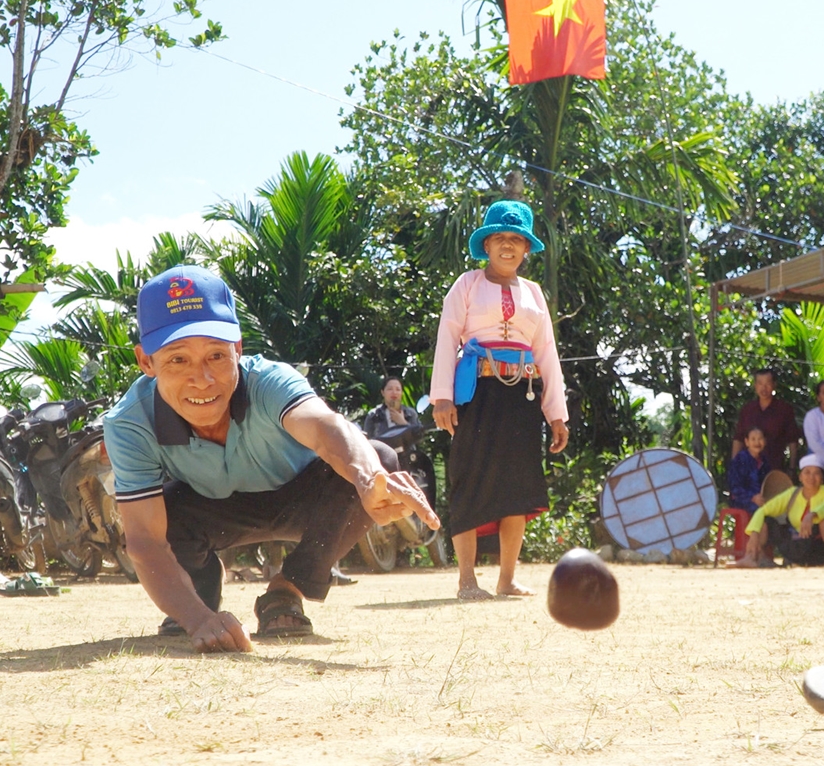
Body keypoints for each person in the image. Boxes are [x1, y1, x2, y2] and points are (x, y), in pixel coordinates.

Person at [105, 266, 438, 653]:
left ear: (238, 349)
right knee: (158, 514)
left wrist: (367, 479)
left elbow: (326, 428)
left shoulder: (269, 380)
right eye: (177, 360)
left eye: (216, 355)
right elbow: (145, 541)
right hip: (211, 509)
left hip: (302, 496)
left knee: (376, 458)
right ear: (146, 362)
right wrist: (196, 618)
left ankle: (285, 590)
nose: (202, 379)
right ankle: (198, 594)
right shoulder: (130, 422)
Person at [431, 200, 569, 601]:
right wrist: (442, 398)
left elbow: (547, 352)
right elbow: (446, 338)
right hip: (476, 393)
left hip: (523, 396)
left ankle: (506, 579)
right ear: (486, 245)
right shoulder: (466, 285)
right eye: (499, 238)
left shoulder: (535, 294)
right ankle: (467, 581)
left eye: (516, 239)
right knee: (469, 478)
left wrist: (556, 414)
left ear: (527, 249)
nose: (508, 246)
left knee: (518, 485)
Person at [735, 455, 824, 567]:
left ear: (822, 478)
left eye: (816, 473)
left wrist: (812, 514)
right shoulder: (792, 493)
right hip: (794, 542)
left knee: (823, 520)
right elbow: (763, 510)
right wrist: (754, 534)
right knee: (765, 520)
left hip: (817, 545)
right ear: (800, 477)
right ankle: (752, 557)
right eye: (807, 472)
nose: (811, 477)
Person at [362, 375, 436, 510]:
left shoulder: (410, 413)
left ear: (402, 392)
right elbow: (367, 442)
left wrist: (403, 423)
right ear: (383, 393)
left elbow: (419, 434)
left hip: (408, 460)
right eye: (390, 389)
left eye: (397, 389)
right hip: (383, 462)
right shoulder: (374, 415)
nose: (394, 392)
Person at [733, 368, 800, 472]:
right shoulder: (747, 410)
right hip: (747, 469)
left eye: (767, 383)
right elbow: (739, 439)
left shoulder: (784, 409)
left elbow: (793, 441)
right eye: (760, 383)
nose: (764, 388)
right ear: (755, 386)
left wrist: (792, 468)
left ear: (774, 385)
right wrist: (735, 466)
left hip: (774, 469)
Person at [727, 426, 772, 513]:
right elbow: (735, 488)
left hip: (761, 500)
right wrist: (752, 497)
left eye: (760, 439)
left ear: (765, 441)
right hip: (743, 502)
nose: (757, 442)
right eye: (753, 439)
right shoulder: (740, 460)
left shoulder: (764, 461)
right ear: (747, 442)